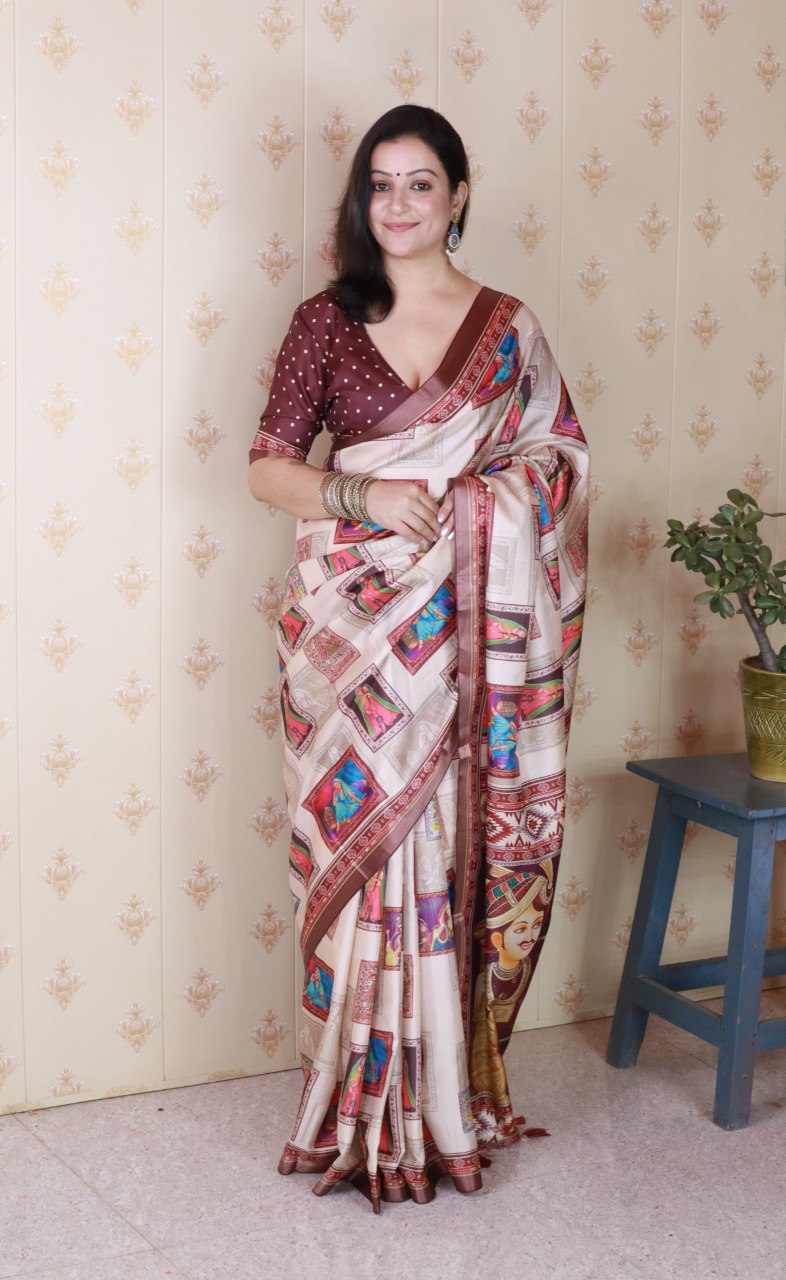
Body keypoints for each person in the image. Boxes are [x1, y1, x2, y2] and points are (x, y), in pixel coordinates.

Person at [247, 103, 589, 1213]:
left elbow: (558, 464)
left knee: (442, 857)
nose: (397, 205)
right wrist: (367, 492)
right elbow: (267, 468)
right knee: (362, 870)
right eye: (379, 186)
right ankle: (352, 1105)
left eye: (419, 184)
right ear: (363, 201)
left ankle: (439, 1104)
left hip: (466, 648)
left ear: (458, 192)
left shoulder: (507, 330)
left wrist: (466, 509)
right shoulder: (325, 322)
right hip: (353, 643)